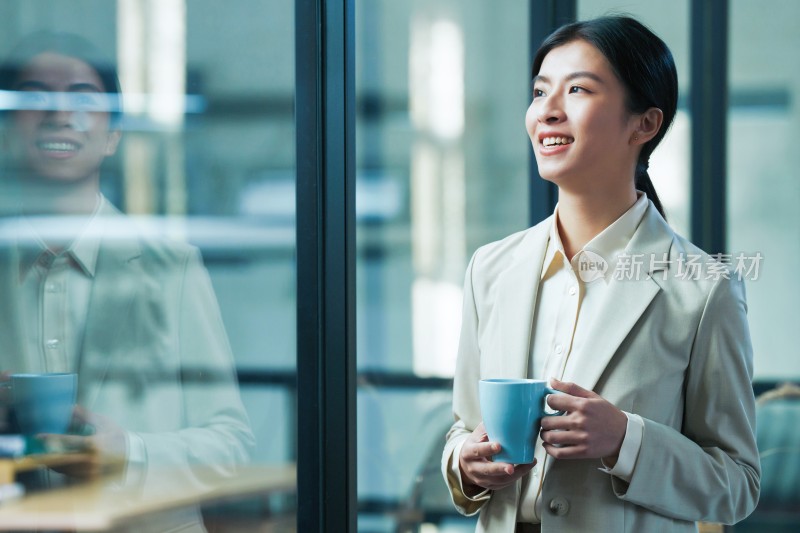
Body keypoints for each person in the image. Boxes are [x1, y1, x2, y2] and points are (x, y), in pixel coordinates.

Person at [441, 15, 760, 533]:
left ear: (644, 124)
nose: (547, 110)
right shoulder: (491, 269)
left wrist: (625, 440)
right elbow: (463, 428)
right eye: (540, 90)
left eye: (578, 90)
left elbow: (738, 484)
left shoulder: (704, 288)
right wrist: (465, 465)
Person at [0, 32, 254, 531]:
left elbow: (232, 448)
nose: (58, 113)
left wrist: (130, 455)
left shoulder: (172, 267)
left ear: (113, 134)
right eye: (34, 98)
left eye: (83, 98)